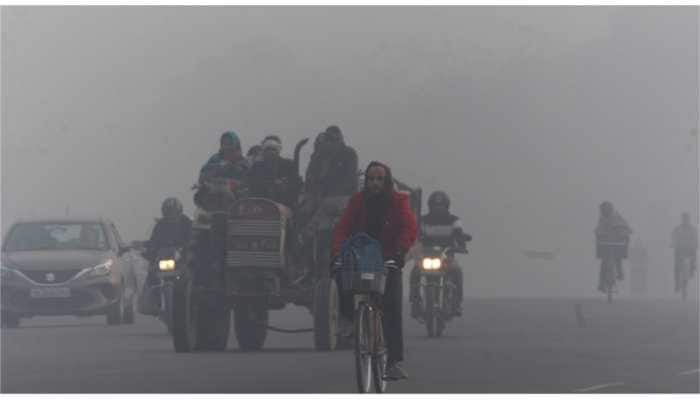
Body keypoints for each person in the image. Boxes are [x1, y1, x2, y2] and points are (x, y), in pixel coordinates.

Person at [332, 161, 418, 380]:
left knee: (392, 309)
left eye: (379, 179)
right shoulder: (357, 202)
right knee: (339, 273)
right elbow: (342, 228)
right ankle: (348, 321)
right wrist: (338, 253)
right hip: (361, 257)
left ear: (386, 180)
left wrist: (399, 253)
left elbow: (409, 228)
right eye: (371, 179)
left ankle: (394, 362)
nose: (375, 183)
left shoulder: (399, 201)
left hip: (389, 259)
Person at [409, 190, 470, 318]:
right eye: (435, 206)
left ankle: (457, 303)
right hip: (426, 256)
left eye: (441, 206)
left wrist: (461, 244)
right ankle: (415, 303)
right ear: (430, 206)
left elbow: (459, 234)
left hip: (447, 256)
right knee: (415, 272)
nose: (438, 209)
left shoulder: (454, 220)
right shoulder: (422, 221)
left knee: (457, 271)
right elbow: (414, 235)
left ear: (447, 206)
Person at [142, 198, 193, 315]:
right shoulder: (160, 224)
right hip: (165, 258)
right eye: (168, 212)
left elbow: (193, 239)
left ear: (179, 212)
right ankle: (152, 302)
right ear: (164, 212)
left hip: (181, 258)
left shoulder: (187, 223)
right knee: (151, 273)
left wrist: (188, 248)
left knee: (193, 273)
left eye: (174, 212)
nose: (171, 215)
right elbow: (153, 240)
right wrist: (148, 250)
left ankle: (193, 300)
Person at [247, 135, 302, 208]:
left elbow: (295, 189)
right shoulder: (256, 167)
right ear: (263, 149)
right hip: (260, 206)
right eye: (268, 148)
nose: (270, 152)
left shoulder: (288, 165)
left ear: (278, 149)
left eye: (273, 149)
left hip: (284, 207)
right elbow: (250, 187)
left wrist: (282, 186)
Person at [304, 125, 359, 198]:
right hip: (318, 197)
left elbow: (348, 182)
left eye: (333, 139)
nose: (330, 143)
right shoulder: (318, 155)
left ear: (339, 140)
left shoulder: (349, 154)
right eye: (327, 139)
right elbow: (309, 178)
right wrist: (317, 151)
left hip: (342, 197)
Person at [595, 201, 632, 292]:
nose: (604, 212)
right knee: (604, 263)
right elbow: (599, 230)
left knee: (617, 257)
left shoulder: (617, 217)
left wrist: (624, 235)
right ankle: (601, 284)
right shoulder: (602, 219)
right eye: (603, 211)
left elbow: (626, 227)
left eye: (605, 210)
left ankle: (619, 273)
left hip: (617, 243)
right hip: (606, 244)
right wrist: (598, 236)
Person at [671, 212, 698, 292]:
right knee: (676, 266)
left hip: (689, 250)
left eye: (686, 219)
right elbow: (673, 236)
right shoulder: (678, 229)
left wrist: (696, 244)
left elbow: (696, 239)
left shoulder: (692, 229)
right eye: (684, 219)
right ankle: (677, 283)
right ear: (682, 219)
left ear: (688, 219)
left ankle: (692, 269)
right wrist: (672, 243)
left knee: (694, 256)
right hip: (680, 250)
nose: (685, 220)